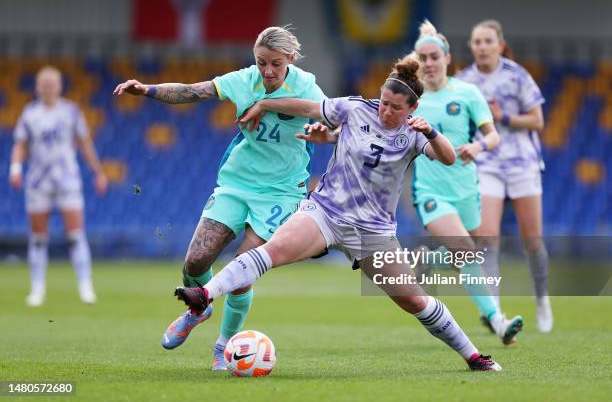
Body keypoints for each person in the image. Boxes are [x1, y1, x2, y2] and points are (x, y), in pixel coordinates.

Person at [174, 55, 503, 371]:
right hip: (326, 213)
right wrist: (265, 103)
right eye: (384, 101)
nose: (386, 110)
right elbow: (306, 107)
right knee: (269, 252)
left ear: (413, 108)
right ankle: (204, 294)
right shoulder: (357, 108)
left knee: (415, 301)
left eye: (395, 107)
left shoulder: (415, 135)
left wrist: (430, 131)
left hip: (373, 232)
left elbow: (447, 157)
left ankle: (473, 356)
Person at [113, 26, 326, 370]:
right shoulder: (245, 80)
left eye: (275, 64)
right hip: (237, 183)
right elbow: (192, 91)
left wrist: (274, 108)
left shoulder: (305, 85)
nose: (267, 71)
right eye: (261, 63)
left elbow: (324, 114)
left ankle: (224, 346)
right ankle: (201, 307)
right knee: (195, 263)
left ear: (290, 59)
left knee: (243, 265)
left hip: (282, 191)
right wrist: (148, 89)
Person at [409, 20, 523, 345]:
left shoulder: (468, 93)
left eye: (434, 57)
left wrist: (477, 146)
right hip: (431, 193)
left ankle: (428, 259)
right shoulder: (412, 100)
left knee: (473, 254)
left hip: (467, 190)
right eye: (423, 58)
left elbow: (493, 136)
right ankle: (498, 321)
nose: (429, 64)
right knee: (468, 254)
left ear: (446, 58)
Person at [457, 19, 552, 332]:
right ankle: (495, 313)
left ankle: (541, 298)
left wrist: (504, 117)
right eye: (477, 42)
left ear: (499, 45)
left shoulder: (516, 75)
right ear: (472, 47)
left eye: (488, 41)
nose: (482, 47)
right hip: (487, 164)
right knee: (486, 239)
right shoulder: (465, 82)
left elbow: (538, 120)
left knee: (532, 241)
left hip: (522, 162)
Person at [9, 65, 108, 307]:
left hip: (67, 179)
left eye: (52, 84)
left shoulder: (71, 112)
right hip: (38, 181)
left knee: (75, 235)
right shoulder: (29, 114)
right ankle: (37, 289)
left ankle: (85, 287)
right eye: (44, 84)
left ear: (60, 86)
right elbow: (20, 144)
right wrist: (15, 167)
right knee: (38, 239)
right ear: (38, 87)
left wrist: (98, 172)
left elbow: (84, 143)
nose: (48, 88)